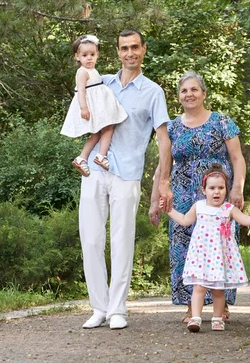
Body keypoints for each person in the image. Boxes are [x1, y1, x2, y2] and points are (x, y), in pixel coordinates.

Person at [79, 29, 173, 330]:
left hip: (128, 173)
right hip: (95, 169)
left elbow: (163, 140)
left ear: (143, 50)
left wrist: (163, 181)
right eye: (124, 48)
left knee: (121, 241)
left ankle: (118, 308)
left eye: (135, 47)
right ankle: (99, 307)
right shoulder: (102, 81)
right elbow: (81, 85)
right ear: (117, 52)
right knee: (91, 239)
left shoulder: (153, 92)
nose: (129, 53)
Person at [148, 71, 246, 323]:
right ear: (178, 96)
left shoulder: (222, 122)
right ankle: (191, 307)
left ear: (204, 93)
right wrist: (154, 201)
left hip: (218, 196)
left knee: (220, 249)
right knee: (186, 251)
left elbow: (237, 158)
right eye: (184, 90)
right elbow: (161, 167)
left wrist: (237, 189)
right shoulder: (170, 127)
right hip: (181, 198)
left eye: (194, 89)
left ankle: (220, 307)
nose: (189, 94)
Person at [160, 163, 250, 332]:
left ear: (226, 190)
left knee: (218, 290)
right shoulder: (199, 206)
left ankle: (218, 318)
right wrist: (168, 211)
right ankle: (195, 318)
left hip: (219, 257)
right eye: (212, 188)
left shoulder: (229, 209)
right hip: (201, 255)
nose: (216, 192)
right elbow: (184, 220)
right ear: (204, 190)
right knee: (199, 287)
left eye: (221, 188)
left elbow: (247, 221)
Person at [60, 34, 128, 175]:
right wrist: (84, 108)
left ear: (97, 55)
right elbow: (81, 91)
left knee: (97, 134)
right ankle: (100, 156)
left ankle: (81, 158)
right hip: (92, 108)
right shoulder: (82, 72)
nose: (89, 58)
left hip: (98, 107)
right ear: (77, 57)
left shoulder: (93, 71)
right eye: (85, 55)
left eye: (92, 54)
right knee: (107, 129)